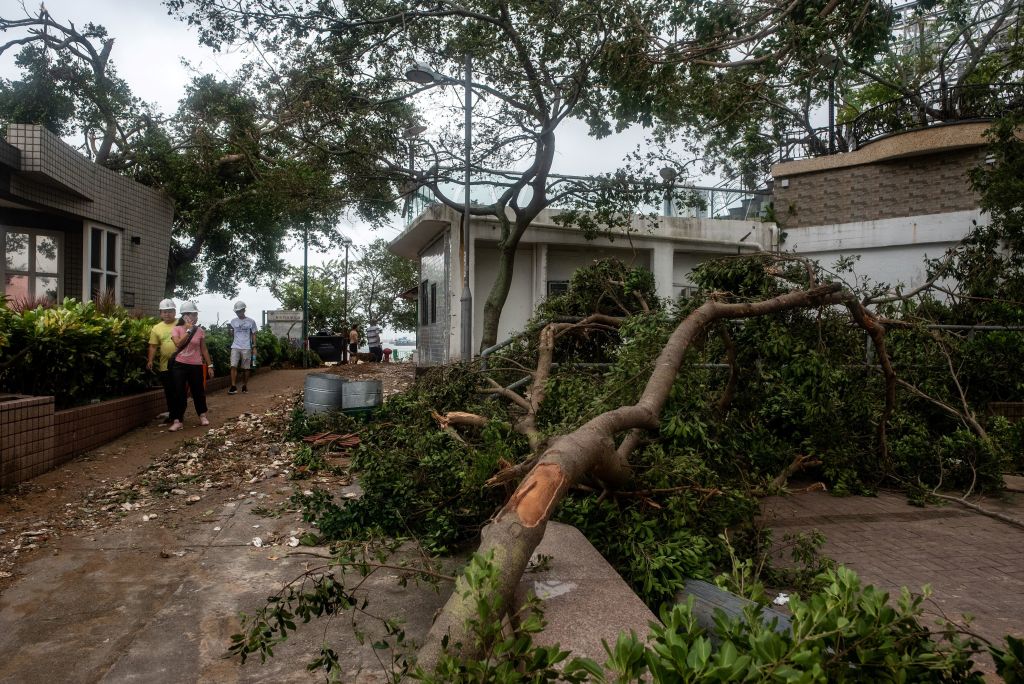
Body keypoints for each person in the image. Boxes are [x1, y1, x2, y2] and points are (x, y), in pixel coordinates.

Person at [168, 301, 214, 432]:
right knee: (179, 392)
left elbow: (204, 349)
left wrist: (210, 365)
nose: (196, 317)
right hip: (179, 365)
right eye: (193, 315)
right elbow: (177, 344)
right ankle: (178, 420)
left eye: (196, 315)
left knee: (198, 391)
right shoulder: (177, 329)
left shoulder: (200, 331)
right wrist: (188, 330)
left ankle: (202, 415)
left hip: (196, 365)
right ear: (185, 316)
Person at [146, 298, 178, 424]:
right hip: (165, 365)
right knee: (169, 391)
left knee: (179, 390)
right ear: (160, 313)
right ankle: (172, 414)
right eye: (164, 311)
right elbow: (153, 346)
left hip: (181, 364)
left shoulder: (181, 323)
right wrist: (150, 360)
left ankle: (178, 415)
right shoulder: (156, 328)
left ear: (174, 312)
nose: (167, 314)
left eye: (169, 311)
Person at [227, 300, 258, 394]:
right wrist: (229, 330)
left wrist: (254, 346)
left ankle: (244, 385)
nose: (238, 313)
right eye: (236, 311)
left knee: (246, 368)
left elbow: (253, 334)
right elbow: (231, 335)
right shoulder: (233, 321)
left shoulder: (251, 321)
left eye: (240, 311)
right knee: (233, 366)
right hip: (235, 346)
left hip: (246, 347)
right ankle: (233, 386)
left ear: (244, 310)